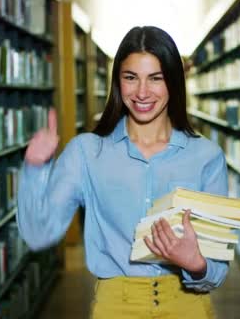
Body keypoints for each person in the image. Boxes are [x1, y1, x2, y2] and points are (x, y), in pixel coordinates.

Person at [17, 26, 229, 318]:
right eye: (131, 78)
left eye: (156, 78)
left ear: (174, 83)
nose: (142, 92)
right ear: (118, 81)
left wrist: (196, 264)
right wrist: (34, 169)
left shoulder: (207, 157)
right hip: (116, 306)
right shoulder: (86, 153)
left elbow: (216, 270)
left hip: (188, 304)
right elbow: (39, 234)